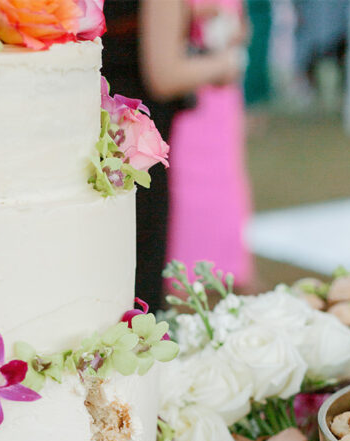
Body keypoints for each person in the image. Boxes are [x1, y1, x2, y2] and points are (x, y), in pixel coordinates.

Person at [102, 0, 246, 310]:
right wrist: (226, 65)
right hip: (136, 147)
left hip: (116, 140)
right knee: (139, 275)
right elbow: (164, 76)